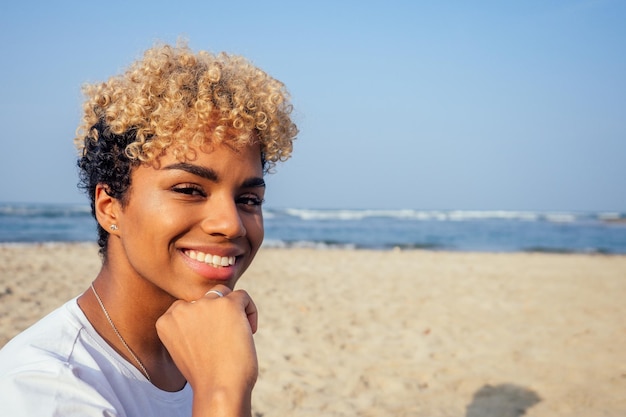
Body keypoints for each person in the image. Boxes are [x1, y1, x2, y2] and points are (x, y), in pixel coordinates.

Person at [0, 42, 298, 416]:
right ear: (110, 208)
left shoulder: (197, 350)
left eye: (249, 199)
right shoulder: (47, 390)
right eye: (189, 190)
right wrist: (221, 391)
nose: (231, 223)